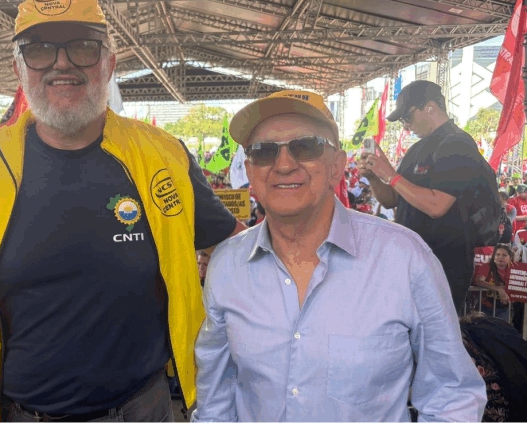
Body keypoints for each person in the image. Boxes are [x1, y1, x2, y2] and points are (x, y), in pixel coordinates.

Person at [0, 0, 245, 423]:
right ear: (19, 69)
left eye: (83, 47)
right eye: (39, 50)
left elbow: (244, 252)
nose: (62, 64)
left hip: (144, 412)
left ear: (109, 64)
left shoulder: (163, 158)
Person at [193, 89, 486, 421]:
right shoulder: (228, 265)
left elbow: (452, 396)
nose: (284, 164)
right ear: (250, 171)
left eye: (306, 147)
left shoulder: (404, 259)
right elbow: (216, 400)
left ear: (337, 167)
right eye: (264, 152)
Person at [360, 80, 497, 312]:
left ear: (430, 107)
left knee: (436, 331)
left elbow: (437, 205)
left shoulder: (457, 143)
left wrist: (391, 175)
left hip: (444, 264)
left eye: (407, 117)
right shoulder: (417, 149)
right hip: (410, 260)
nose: (406, 126)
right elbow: (392, 200)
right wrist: (374, 176)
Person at [473, 243, 512, 321]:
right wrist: (498, 289)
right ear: (494, 257)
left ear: (510, 258)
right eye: (498, 254)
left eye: (504, 255)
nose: (500, 257)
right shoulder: (487, 266)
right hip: (484, 307)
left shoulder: (514, 270)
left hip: (503, 309)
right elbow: (479, 281)